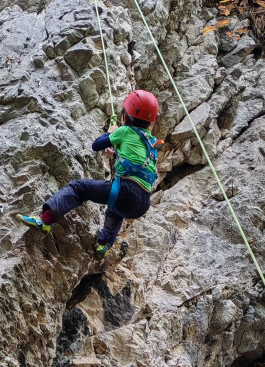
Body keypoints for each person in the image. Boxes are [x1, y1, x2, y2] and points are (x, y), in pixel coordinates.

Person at [17, 90, 160, 259]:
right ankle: (104, 244)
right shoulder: (151, 141)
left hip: (125, 191)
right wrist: (114, 155)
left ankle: (45, 220)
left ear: (126, 116)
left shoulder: (125, 131)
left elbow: (96, 145)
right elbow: (139, 164)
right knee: (115, 210)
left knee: (79, 188)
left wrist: (112, 132)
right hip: (142, 202)